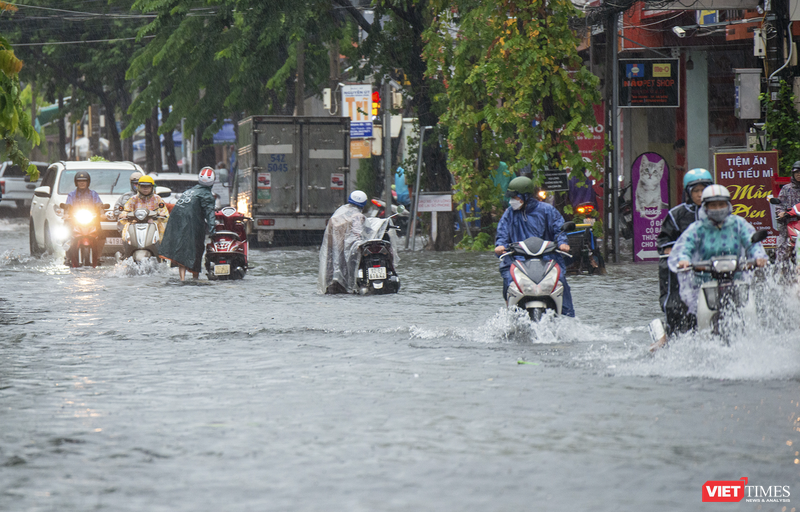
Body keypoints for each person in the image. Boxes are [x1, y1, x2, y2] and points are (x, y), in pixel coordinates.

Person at [668, 184, 768, 316]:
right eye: (713, 205)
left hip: (736, 279)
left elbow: (752, 242)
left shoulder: (739, 224)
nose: (718, 209)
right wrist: (684, 260)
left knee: (749, 312)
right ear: (705, 207)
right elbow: (685, 246)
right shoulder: (697, 228)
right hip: (703, 283)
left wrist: (759, 257)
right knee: (696, 315)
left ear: (728, 205)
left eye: (721, 204)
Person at [494, 176, 575, 316]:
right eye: (511, 197)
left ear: (525, 196)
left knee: (560, 280)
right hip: (517, 259)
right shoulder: (509, 214)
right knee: (509, 280)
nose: (512, 200)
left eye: (515, 197)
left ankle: (567, 318)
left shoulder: (547, 210)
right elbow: (502, 234)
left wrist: (562, 243)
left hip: (547, 259)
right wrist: (500, 246)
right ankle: (510, 315)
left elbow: (559, 229)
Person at [656, 168, 713, 336]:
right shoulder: (677, 214)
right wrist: (681, 256)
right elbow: (665, 243)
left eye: (704, 190)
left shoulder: (719, 212)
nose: (700, 194)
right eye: (696, 190)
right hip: (684, 268)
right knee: (676, 302)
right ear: (688, 192)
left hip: (712, 266)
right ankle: (674, 332)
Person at [158, 167, 217, 281]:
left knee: (181, 249)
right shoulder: (207, 195)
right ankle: (195, 278)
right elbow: (210, 214)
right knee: (197, 248)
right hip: (191, 223)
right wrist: (213, 231)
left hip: (176, 222)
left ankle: (182, 279)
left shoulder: (190, 191)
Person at [318, 190, 368, 294]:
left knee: (332, 272)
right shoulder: (357, 216)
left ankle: (332, 287)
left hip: (332, 250)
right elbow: (357, 235)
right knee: (347, 272)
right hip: (347, 251)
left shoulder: (338, 213)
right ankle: (347, 288)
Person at [65, 171, 106, 258]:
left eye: (84, 181)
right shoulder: (71, 195)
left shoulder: (93, 194)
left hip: (91, 221)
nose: (82, 183)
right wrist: (66, 214)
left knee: (102, 235)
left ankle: (98, 256)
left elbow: (99, 205)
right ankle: (68, 255)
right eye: (80, 181)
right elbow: (68, 206)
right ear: (76, 182)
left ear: (88, 182)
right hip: (75, 221)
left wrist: (102, 214)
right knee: (65, 233)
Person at [774, 161, 800, 265]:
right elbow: (779, 205)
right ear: (793, 174)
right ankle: (781, 270)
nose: (799, 174)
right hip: (789, 222)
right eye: (797, 172)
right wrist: (781, 213)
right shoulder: (786, 189)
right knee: (782, 245)